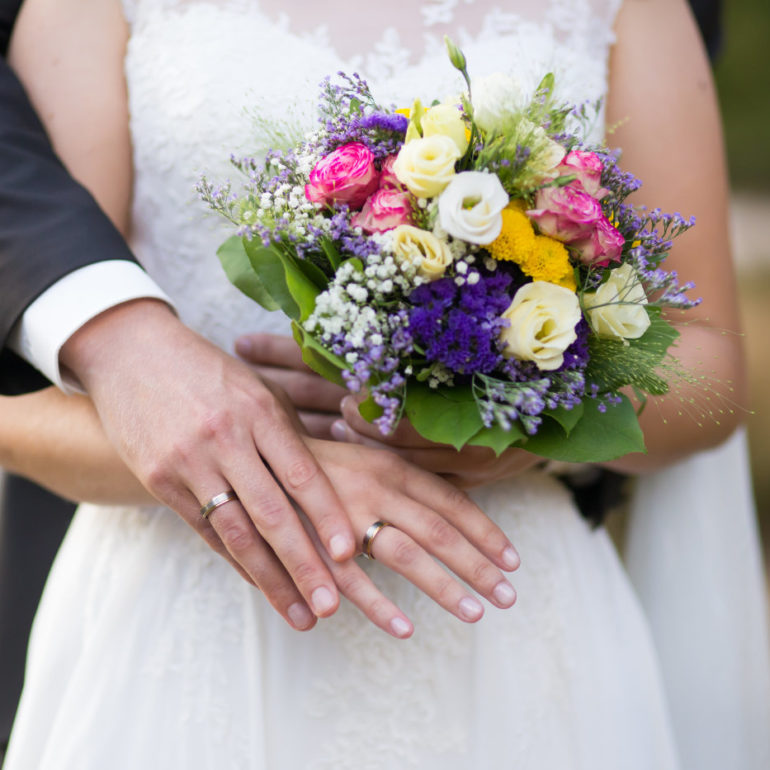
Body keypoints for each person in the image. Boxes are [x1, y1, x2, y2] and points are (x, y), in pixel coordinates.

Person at [0, 0, 762, 767]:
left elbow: (708, 363)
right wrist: (267, 463)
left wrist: (526, 427)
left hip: (501, 600)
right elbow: (18, 400)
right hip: (192, 611)